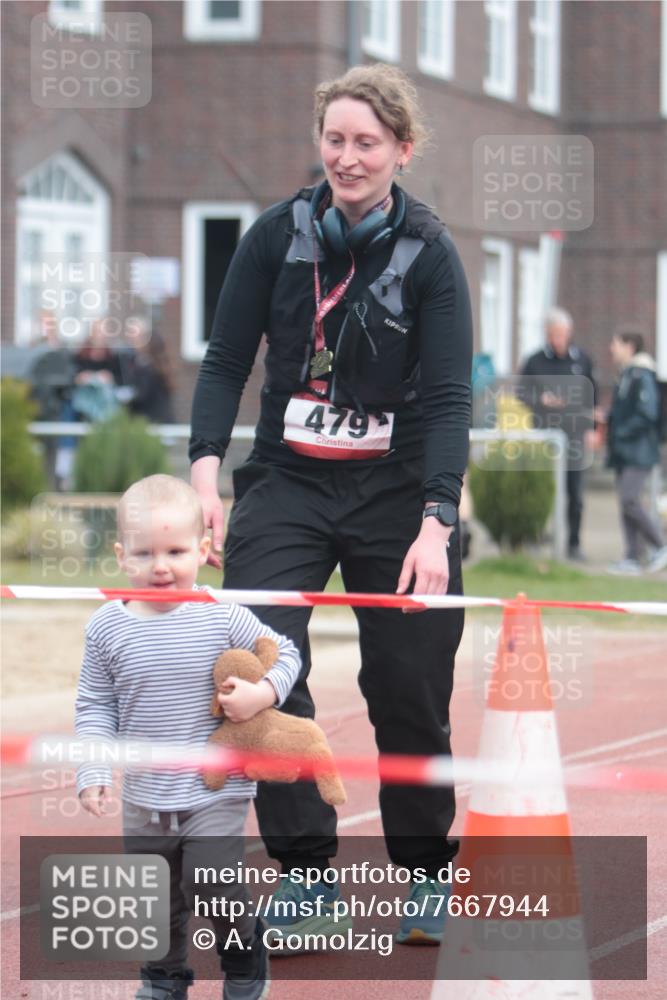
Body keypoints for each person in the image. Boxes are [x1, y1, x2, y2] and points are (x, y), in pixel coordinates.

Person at [189, 63, 472, 947]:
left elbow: (452, 398)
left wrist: (436, 521)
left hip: (397, 491)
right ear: (321, 143)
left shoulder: (430, 254)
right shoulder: (277, 237)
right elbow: (225, 361)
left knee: (408, 687)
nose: (348, 158)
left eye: (367, 143)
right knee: (253, 668)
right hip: (289, 480)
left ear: (401, 151)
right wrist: (205, 468)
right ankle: (308, 877)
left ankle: (424, 877)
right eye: (335, 140)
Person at [76, 474, 301, 1000]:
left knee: (210, 879)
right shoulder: (106, 627)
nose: (160, 566)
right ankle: (164, 978)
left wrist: (262, 694)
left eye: (175, 551)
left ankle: (244, 956)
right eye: (144, 552)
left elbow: (286, 653)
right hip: (143, 794)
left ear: (202, 550)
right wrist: (91, 770)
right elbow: (94, 704)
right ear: (121, 556)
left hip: (214, 789)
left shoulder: (223, 616)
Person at [519, 307, 596, 560]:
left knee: (575, 494)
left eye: (561, 335)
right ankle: (535, 539)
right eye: (553, 335)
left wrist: (593, 430)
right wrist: (541, 399)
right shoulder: (534, 361)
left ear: (569, 333)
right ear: (547, 334)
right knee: (541, 490)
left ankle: (574, 545)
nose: (557, 341)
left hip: (574, 437)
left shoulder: (582, 360)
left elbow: (591, 398)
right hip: (544, 436)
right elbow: (521, 393)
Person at [605, 332, 667, 575]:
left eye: (616, 343)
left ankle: (660, 545)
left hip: (639, 450)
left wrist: (620, 432)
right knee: (624, 501)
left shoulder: (641, 374)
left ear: (629, 346)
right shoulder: (627, 374)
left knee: (630, 499)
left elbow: (646, 413)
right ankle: (632, 556)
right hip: (625, 451)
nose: (611, 347)